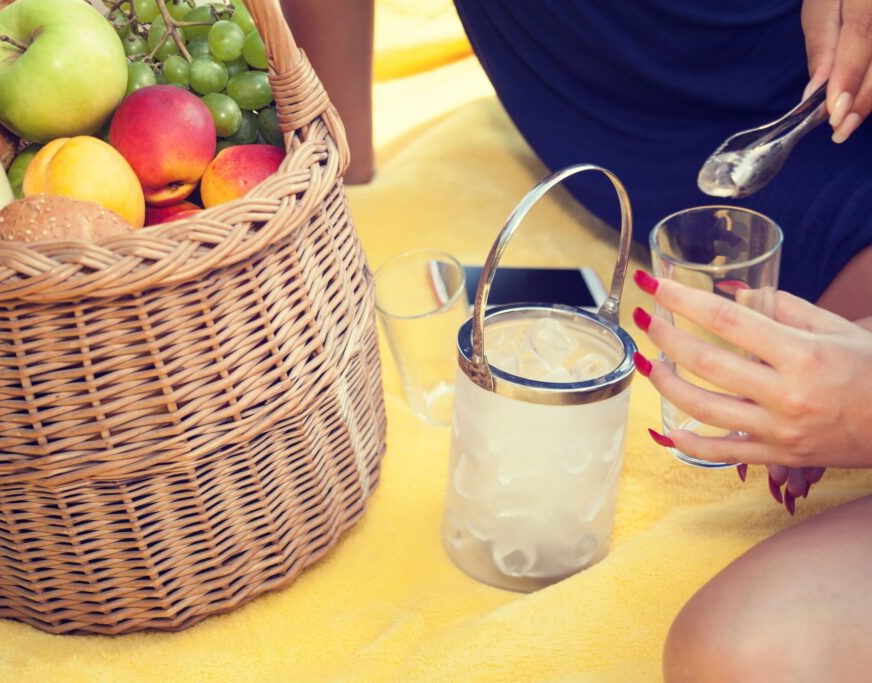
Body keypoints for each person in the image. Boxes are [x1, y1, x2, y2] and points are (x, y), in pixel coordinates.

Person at [284, 0, 872, 679]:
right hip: (760, 157)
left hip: (833, 182)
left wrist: (860, 405)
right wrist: (334, 163)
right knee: (744, 650)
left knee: (742, 652)